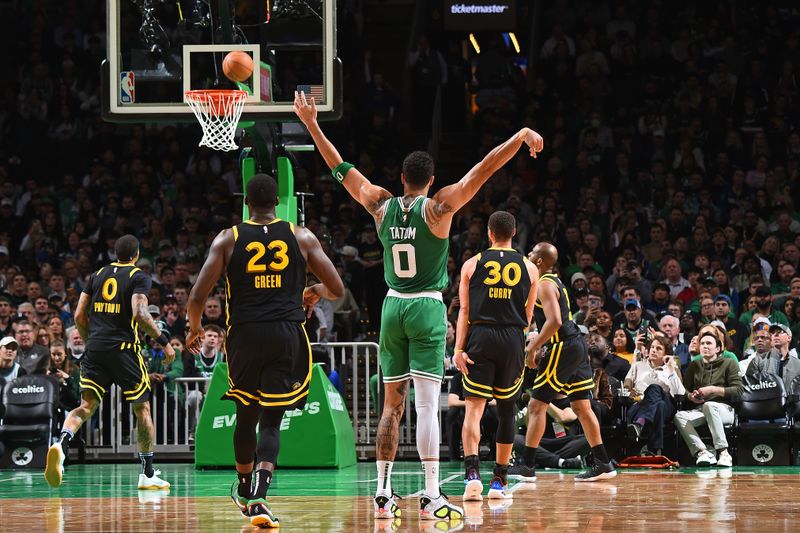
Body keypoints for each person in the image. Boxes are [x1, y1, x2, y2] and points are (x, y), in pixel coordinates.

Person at [294, 90, 543, 520]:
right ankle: (430, 494)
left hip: (392, 306)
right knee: (427, 404)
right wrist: (519, 135)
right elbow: (482, 171)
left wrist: (313, 125)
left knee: (392, 404)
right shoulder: (440, 207)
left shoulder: (379, 203)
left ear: (401, 178)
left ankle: (383, 492)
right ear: (430, 181)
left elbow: (339, 168)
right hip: (426, 306)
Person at [185, 174, 343, 529]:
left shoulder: (229, 238)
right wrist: (313, 289)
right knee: (272, 420)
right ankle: (259, 495)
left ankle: (243, 487)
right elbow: (337, 288)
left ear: (246, 204)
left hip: (243, 335)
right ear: (278, 202)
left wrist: (195, 328)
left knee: (246, 414)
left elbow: (197, 296)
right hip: (287, 334)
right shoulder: (301, 235)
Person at [45, 234, 175, 490]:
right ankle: (147, 474)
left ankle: (61, 444)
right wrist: (164, 342)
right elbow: (139, 313)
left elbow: (80, 314)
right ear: (136, 255)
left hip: (95, 349)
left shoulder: (97, 275)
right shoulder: (139, 276)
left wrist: (91, 340)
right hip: (125, 350)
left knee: (85, 407)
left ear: (116, 253)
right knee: (142, 410)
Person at [511, 242, 617, 482]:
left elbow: (555, 321)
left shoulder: (545, 284)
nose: (527, 255)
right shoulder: (554, 281)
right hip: (576, 345)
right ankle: (603, 462)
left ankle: (527, 466)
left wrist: (532, 348)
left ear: (539, 260)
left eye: (531, 253)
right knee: (581, 407)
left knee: (537, 406)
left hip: (563, 346)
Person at [453, 211, 538, 501]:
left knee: (473, 410)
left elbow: (463, 311)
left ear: (489, 233)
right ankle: (499, 481)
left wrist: (458, 349)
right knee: (506, 411)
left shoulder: (471, 263)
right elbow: (528, 316)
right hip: (512, 337)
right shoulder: (530, 268)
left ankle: (471, 474)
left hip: (481, 336)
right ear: (514, 233)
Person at [674, 330, 743, 467]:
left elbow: (738, 390)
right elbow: (685, 390)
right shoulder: (694, 365)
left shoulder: (729, 363)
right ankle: (703, 452)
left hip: (725, 410)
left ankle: (723, 452)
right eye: (702, 343)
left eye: (709, 343)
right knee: (679, 416)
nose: (705, 346)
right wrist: (690, 396)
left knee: (710, 405)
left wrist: (712, 389)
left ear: (718, 348)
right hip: (701, 409)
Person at [624, 335, 685, 456]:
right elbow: (626, 389)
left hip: (668, 405)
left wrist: (671, 369)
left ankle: (639, 424)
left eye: (658, 348)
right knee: (659, 406)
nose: (654, 350)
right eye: (652, 347)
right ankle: (654, 449)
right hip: (639, 404)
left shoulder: (671, 369)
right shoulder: (637, 366)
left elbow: (680, 393)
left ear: (666, 353)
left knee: (654, 389)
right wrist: (636, 397)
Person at [186, 325, 225, 438]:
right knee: (194, 397)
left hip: (216, 392)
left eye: (215, 336)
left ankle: (217, 433)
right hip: (197, 391)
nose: (212, 338)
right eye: (209, 335)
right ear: (202, 338)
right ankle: (193, 431)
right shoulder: (192, 355)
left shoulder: (222, 357)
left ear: (218, 340)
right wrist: (204, 387)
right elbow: (187, 376)